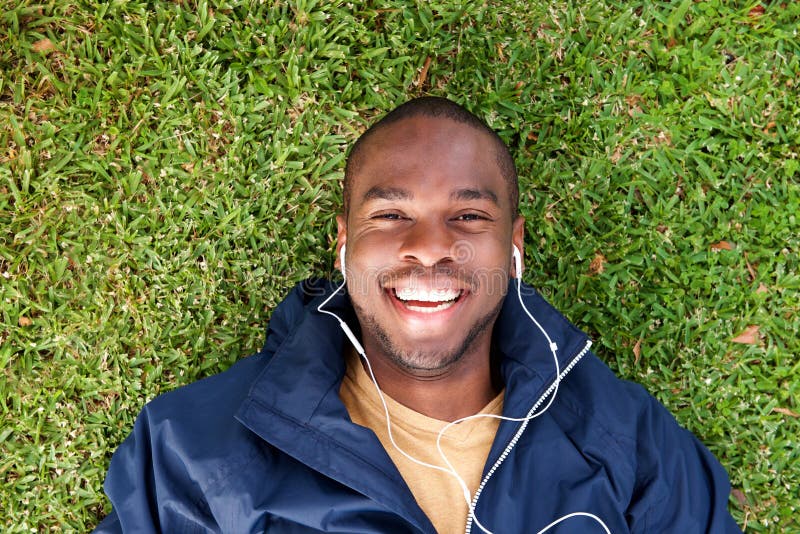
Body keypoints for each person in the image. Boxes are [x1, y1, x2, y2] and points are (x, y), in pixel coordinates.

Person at [94, 97, 742, 533]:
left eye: (468, 216)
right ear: (344, 244)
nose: (430, 247)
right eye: (391, 215)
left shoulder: (628, 441)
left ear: (513, 246)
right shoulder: (194, 449)